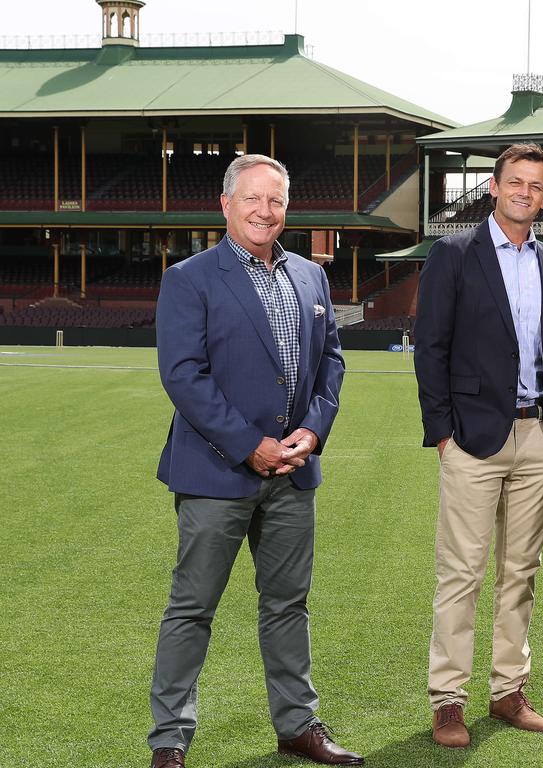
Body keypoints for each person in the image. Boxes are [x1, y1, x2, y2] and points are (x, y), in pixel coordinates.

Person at [148, 155, 361, 768]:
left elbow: (332, 363)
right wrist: (249, 444)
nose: (265, 212)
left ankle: (297, 726)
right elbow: (184, 376)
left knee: (288, 604)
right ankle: (170, 739)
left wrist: (313, 432)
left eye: (276, 201)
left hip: (293, 473)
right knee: (192, 608)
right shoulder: (190, 278)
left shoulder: (310, 277)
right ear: (225, 204)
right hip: (218, 473)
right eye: (252, 199)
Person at [414, 143, 543, 749]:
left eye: (536, 186)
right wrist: (442, 434)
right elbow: (430, 346)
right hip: (473, 439)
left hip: (539, 434)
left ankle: (508, 689)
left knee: (521, 571)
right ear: (494, 185)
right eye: (515, 182)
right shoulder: (454, 253)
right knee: (461, 572)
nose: (524, 192)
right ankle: (448, 700)